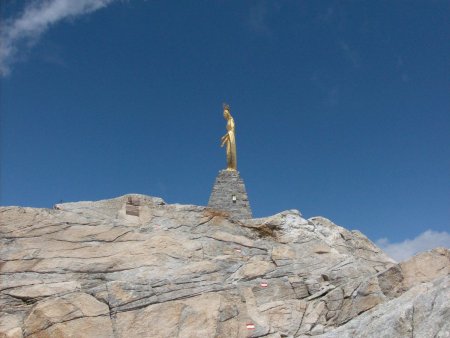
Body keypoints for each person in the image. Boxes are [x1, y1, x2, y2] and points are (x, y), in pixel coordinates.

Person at [220, 103, 237, 171]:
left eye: (224, 113)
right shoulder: (228, 121)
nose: (223, 115)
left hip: (231, 137)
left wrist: (224, 136)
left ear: (227, 113)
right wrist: (224, 141)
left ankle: (231, 167)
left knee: (230, 152)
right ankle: (229, 167)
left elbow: (232, 131)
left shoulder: (231, 120)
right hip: (229, 138)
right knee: (228, 152)